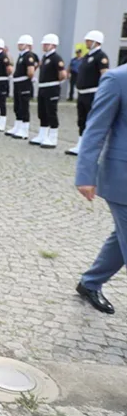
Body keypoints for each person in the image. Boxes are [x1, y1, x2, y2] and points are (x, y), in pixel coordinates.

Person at [75, 62, 127, 315]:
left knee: (121, 238)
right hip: (122, 178)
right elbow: (95, 129)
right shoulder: (117, 79)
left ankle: (90, 282)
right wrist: (86, 174)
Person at [66, 30, 109, 156]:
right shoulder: (87, 56)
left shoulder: (101, 56)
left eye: (89, 41)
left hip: (93, 93)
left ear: (96, 42)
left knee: (92, 120)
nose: (86, 43)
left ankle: (91, 146)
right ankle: (81, 143)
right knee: (82, 119)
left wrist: (103, 93)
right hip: (82, 93)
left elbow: (104, 75)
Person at [31, 34, 67, 149]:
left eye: (46, 44)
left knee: (51, 112)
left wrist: (54, 83)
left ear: (53, 45)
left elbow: (63, 74)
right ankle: (42, 135)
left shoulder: (56, 58)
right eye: (44, 44)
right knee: (42, 112)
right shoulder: (45, 58)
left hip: (52, 88)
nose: (44, 46)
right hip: (43, 87)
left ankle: (53, 137)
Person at [6, 35, 37, 140]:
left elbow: (31, 70)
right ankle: (18, 126)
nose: (19, 45)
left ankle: (24, 129)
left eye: (21, 44)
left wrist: (29, 78)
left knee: (24, 106)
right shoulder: (21, 56)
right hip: (18, 83)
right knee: (17, 106)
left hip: (24, 83)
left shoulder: (29, 56)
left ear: (27, 45)